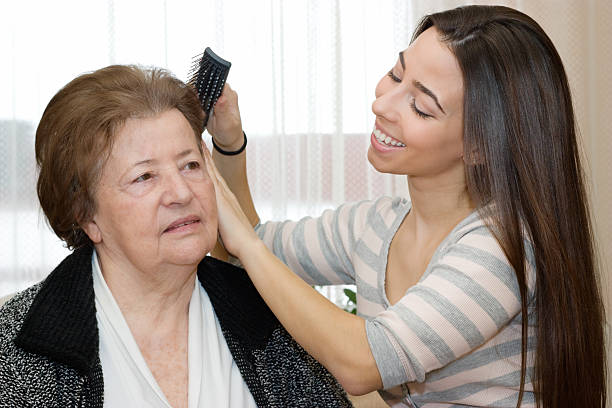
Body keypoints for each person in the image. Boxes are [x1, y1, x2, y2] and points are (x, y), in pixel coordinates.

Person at [205, 5, 606, 408]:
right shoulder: (376, 227)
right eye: (396, 75)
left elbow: (362, 363)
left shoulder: (502, 251)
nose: (383, 105)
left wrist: (247, 245)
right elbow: (249, 247)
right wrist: (227, 142)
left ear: (480, 145)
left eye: (421, 106)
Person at [0, 64, 352, 407]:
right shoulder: (16, 348)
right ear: (85, 214)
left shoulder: (273, 317)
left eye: (190, 165)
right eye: (145, 177)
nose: (181, 193)